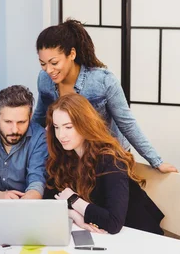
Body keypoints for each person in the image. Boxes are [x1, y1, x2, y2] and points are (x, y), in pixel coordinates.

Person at [33, 18, 177, 174]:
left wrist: (156, 161)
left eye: (54, 63)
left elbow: (127, 124)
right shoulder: (44, 80)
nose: (48, 70)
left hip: (109, 157)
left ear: (72, 54)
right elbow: (39, 119)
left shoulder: (103, 81)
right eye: (43, 63)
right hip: (73, 155)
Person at [44, 93, 164, 235]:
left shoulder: (110, 159)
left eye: (68, 127)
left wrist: (73, 200)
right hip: (103, 236)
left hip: (138, 235)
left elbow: (113, 223)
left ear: (85, 124)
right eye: (56, 127)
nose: (60, 135)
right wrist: (74, 215)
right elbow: (48, 201)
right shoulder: (65, 154)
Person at [0, 85, 47, 199]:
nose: (15, 129)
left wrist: (24, 205)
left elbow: (37, 181)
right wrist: (0, 196)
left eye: (21, 122)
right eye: (8, 122)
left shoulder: (39, 136)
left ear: (30, 117)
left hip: (26, 208)